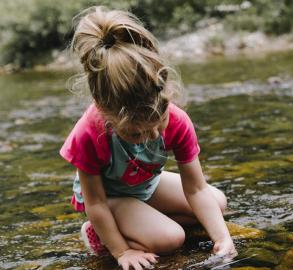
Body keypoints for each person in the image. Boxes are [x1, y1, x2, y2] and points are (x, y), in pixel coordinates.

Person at [60, 6, 237, 270]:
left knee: (217, 203)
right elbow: (95, 203)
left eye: (159, 123)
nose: (152, 135)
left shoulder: (177, 120)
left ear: (166, 97)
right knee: (171, 239)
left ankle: (143, 220)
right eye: (135, 132)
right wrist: (121, 251)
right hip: (109, 198)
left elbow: (196, 189)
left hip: (145, 185)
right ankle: (100, 234)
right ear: (105, 112)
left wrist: (223, 238)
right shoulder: (89, 132)